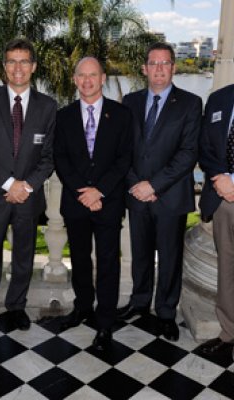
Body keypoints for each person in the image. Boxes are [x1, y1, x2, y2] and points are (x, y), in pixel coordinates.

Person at [0, 38, 56, 331]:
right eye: (12, 61)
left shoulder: (48, 106)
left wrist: (25, 186)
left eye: (24, 61)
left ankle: (17, 305)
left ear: (34, 67)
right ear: (4, 67)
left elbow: (49, 157)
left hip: (28, 198)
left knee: (24, 255)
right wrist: (7, 184)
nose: (18, 68)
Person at [118, 42, 202, 341]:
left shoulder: (191, 104)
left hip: (170, 196)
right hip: (136, 195)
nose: (158, 69)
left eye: (164, 63)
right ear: (144, 68)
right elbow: (122, 149)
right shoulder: (129, 102)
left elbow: (188, 153)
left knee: (169, 257)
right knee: (139, 254)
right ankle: (140, 302)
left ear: (173, 68)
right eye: (153, 63)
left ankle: (166, 311)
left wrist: (153, 185)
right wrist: (136, 184)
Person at [54, 56, 132, 350]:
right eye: (81, 76)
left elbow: (125, 158)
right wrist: (82, 191)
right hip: (76, 203)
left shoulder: (121, 115)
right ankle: (83, 307)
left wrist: (98, 191)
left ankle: (105, 320)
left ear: (102, 79)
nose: (87, 81)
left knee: (109, 262)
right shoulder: (63, 116)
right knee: (80, 259)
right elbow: (60, 158)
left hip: (108, 203)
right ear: (75, 80)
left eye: (93, 75)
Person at [198, 84, 234, 356]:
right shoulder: (219, 99)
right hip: (222, 199)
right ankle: (229, 333)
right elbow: (205, 145)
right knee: (227, 268)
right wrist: (221, 178)